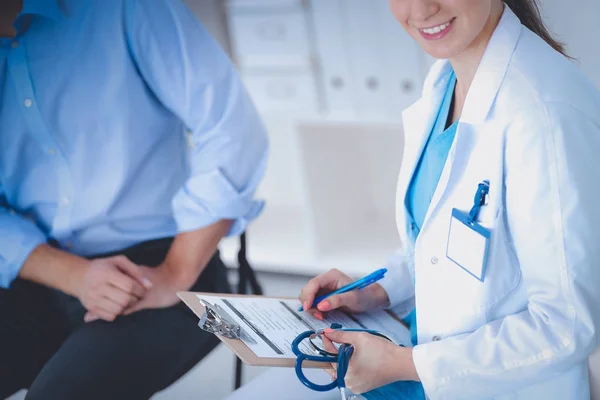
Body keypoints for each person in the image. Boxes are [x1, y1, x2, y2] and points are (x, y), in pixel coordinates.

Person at [226, 0, 600, 398]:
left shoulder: (544, 114)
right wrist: (375, 292)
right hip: (412, 359)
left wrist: (402, 364)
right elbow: (447, 241)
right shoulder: (446, 82)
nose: (421, 10)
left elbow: (567, 326)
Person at [0, 0, 268, 399]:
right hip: (30, 271)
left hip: (162, 267)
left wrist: (175, 272)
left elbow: (232, 130)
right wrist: (73, 275)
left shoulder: (123, 7)